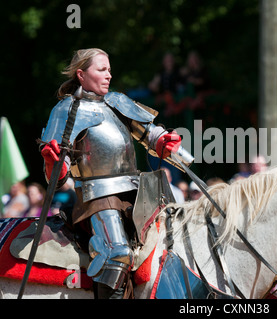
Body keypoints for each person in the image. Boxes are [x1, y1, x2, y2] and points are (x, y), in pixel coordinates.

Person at [40, 48, 187, 299]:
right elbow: (56, 174)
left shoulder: (117, 101)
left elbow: (149, 133)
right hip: (97, 197)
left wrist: (165, 142)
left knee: (175, 240)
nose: (109, 75)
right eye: (101, 70)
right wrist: (54, 162)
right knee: (116, 253)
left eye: (109, 69)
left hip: (138, 192)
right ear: (81, 75)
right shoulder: (66, 110)